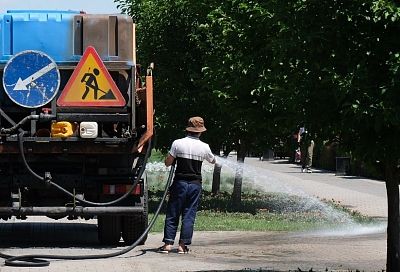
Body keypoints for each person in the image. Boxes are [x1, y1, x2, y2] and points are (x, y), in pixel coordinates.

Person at [158, 116, 216, 254]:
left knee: (173, 213)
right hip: (195, 185)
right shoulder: (205, 147)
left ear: (188, 129)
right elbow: (213, 161)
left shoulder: (177, 143)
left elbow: (168, 162)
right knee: (189, 214)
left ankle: (167, 245)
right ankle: (182, 246)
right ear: (200, 131)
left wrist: (174, 157)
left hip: (180, 183)